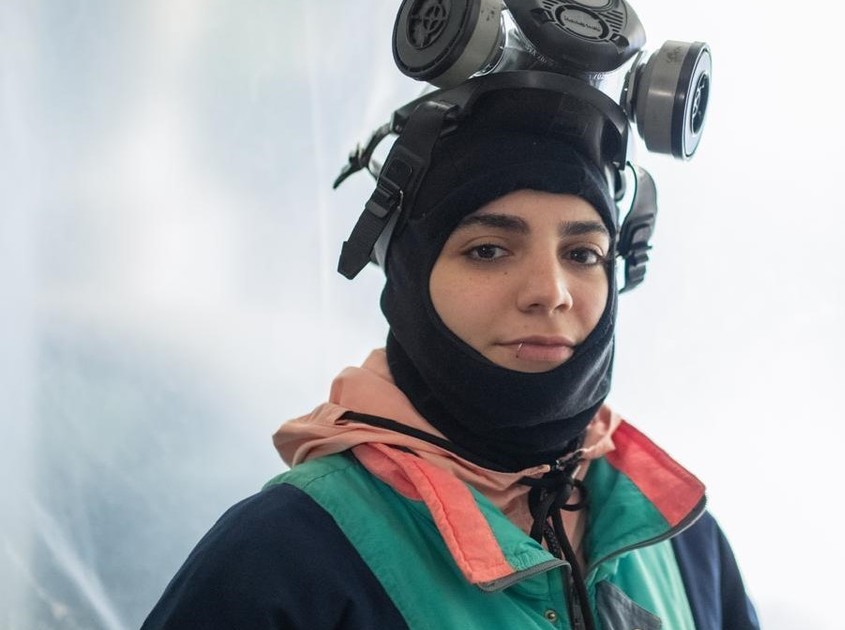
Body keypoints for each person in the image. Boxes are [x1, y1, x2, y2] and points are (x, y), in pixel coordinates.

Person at [143, 9, 757, 630]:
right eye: (488, 250)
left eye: (582, 254)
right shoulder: (285, 558)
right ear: (409, 271)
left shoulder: (681, 539)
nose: (550, 293)